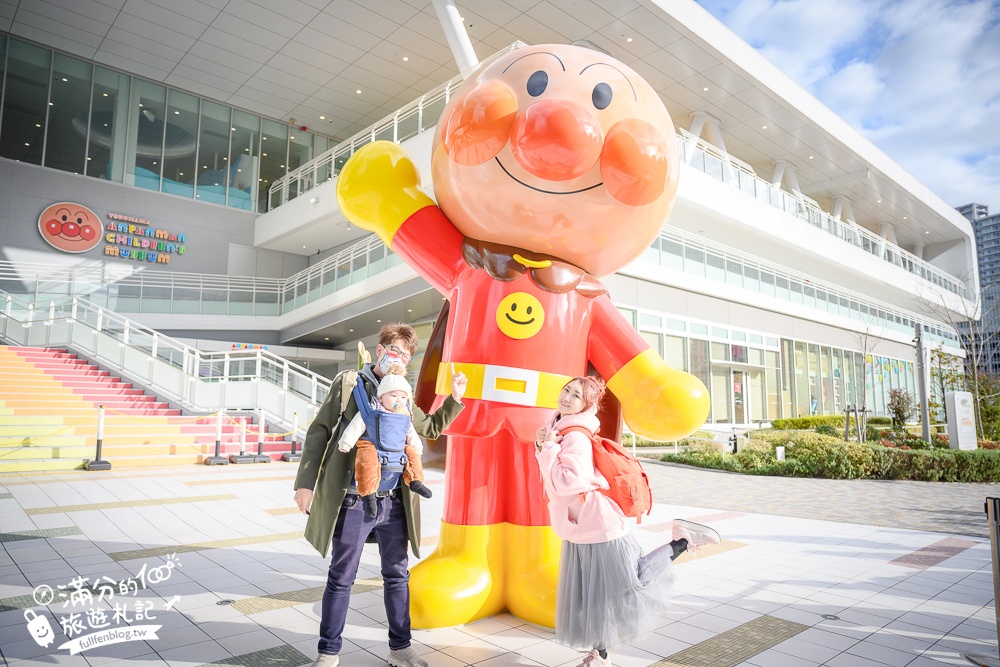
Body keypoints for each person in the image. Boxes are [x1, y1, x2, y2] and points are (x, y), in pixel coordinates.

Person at [294, 323, 468, 667]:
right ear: (379, 349)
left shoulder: (402, 391)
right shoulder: (348, 383)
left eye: (405, 353)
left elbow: (428, 428)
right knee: (341, 576)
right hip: (353, 499)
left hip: (393, 502)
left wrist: (455, 399)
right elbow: (319, 431)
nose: (398, 357)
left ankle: (400, 650)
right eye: (394, 349)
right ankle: (328, 654)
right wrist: (305, 483)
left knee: (397, 576)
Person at [535, 376, 720, 667]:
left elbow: (569, 481)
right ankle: (601, 654)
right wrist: (544, 446)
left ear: (586, 405)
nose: (567, 397)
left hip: (597, 525)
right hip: (582, 528)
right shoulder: (560, 429)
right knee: (595, 596)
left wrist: (547, 450)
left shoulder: (575, 437)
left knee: (631, 585)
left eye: (576, 396)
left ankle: (683, 540)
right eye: (567, 390)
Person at [338, 362, 432, 518]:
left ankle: (415, 481)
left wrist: (417, 447)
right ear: (381, 397)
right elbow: (356, 426)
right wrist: (346, 443)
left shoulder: (404, 415)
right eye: (393, 395)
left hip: (397, 450)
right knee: (367, 456)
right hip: (374, 446)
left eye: (403, 397)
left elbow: (411, 433)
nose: (399, 400)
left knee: (411, 452)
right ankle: (369, 495)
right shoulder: (372, 409)